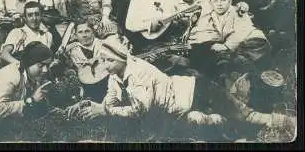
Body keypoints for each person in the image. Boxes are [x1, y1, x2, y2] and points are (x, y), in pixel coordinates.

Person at [69, 37, 293, 133]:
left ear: (122, 58)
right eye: (103, 61)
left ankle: (290, 122)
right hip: (181, 107)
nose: (106, 66)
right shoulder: (116, 74)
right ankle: (228, 115)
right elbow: (112, 96)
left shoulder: (138, 73)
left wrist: (106, 111)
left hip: (198, 90)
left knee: (249, 117)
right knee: (203, 121)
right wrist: (95, 104)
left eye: (109, 60)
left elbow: (141, 109)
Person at [188, 0, 271, 83]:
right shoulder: (213, 14)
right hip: (235, 43)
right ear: (211, 3)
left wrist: (225, 46)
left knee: (242, 60)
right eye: (215, 1)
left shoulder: (237, 11)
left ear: (229, 1)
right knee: (213, 54)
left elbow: (241, 33)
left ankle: (253, 76)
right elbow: (207, 31)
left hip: (253, 42)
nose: (219, 4)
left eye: (223, 0)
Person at [125, 0, 191, 74]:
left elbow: (178, 18)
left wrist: (180, 19)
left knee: (186, 62)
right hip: (147, 41)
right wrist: (149, 25)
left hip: (168, 38)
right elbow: (129, 24)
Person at [0, 41, 58, 118]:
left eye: (47, 65)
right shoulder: (12, 74)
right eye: (40, 65)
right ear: (29, 63)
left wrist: (56, 111)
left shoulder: (33, 76)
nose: (45, 70)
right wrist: (31, 100)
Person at [63, 19, 109, 102]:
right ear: (76, 35)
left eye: (87, 31)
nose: (84, 35)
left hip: (106, 83)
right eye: (80, 32)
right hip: (86, 87)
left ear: (93, 32)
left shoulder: (103, 45)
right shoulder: (73, 50)